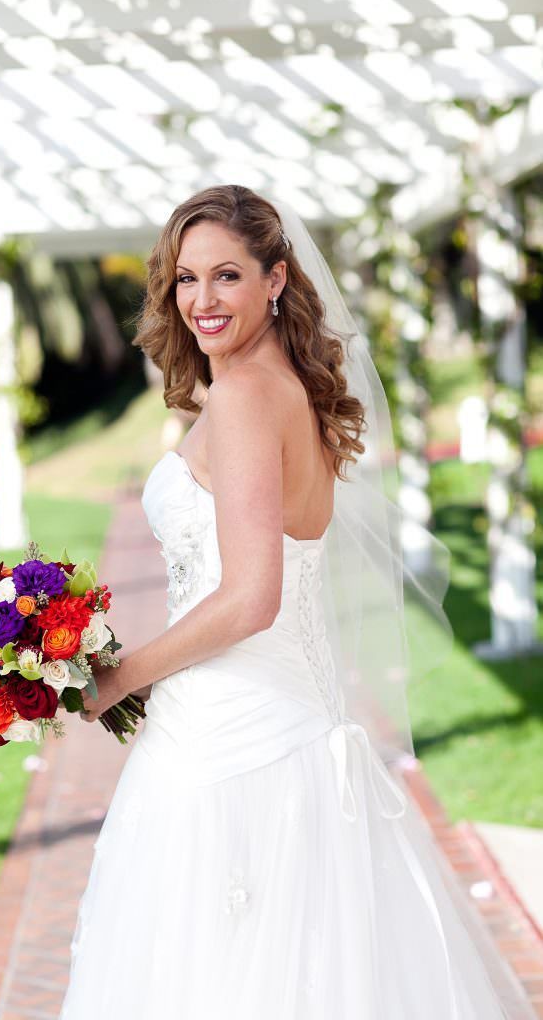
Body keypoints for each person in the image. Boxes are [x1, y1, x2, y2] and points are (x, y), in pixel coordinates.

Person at [58, 185, 535, 1019]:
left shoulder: (245, 398)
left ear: (276, 280)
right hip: (286, 722)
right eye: (184, 278)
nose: (201, 300)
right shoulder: (279, 389)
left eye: (227, 276)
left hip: (228, 739)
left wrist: (120, 676)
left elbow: (249, 598)